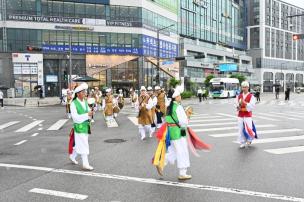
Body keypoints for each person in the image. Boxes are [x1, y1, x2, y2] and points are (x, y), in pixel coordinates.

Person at [163, 86, 191, 180]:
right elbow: (183, 122)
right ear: (175, 97)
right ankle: (182, 173)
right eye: (179, 95)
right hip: (180, 130)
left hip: (171, 131)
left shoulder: (169, 107)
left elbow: (166, 119)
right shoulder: (178, 107)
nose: (180, 97)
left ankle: (162, 161)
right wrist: (188, 116)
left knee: (174, 150)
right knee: (182, 151)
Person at [69, 83, 94, 171]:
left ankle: (72, 156)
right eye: (83, 92)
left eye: (85, 92)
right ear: (78, 93)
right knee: (84, 144)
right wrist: (87, 115)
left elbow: (88, 111)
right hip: (79, 127)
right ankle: (85, 164)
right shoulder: (73, 103)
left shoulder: (85, 101)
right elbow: (75, 118)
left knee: (81, 143)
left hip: (86, 126)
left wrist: (90, 112)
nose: (85, 93)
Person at [235, 81, 257, 149]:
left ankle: (249, 139)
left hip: (247, 114)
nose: (244, 88)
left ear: (248, 88)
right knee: (240, 129)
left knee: (248, 128)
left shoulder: (251, 96)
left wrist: (245, 103)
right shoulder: (239, 96)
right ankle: (242, 142)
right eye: (242, 87)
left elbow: (252, 106)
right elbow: (236, 103)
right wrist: (237, 106)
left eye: (245, 87)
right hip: (240, 114)